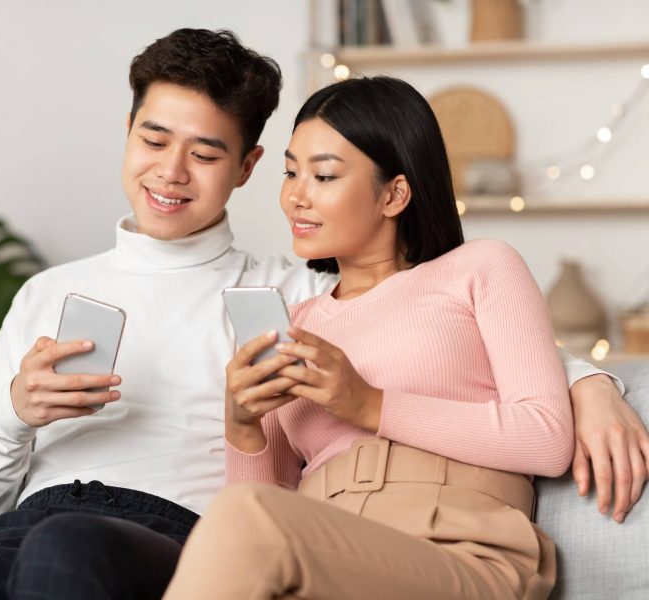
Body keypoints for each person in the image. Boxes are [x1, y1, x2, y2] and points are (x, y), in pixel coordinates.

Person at [0, 28, 645, 600]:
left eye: (204, 153)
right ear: (126, 133)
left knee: (74, 550)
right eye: (154, 139)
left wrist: (594, 381)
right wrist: (17, 416)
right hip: (30, 529)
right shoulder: (46, 294)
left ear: (242, 167)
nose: (170, 171)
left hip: (169, 538)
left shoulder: (292, 297)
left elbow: (441, 329)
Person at [160, 75, 648, 600]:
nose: (295, 196)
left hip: (461, 552)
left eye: (323, 176)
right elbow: (262, 516)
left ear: (394, 194)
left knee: (243, 517)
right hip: (326, 559)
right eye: (290, 172)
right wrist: (244, 425)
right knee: (242, 521)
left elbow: (546, 437)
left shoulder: (481, 268)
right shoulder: (294, 322)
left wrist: (368, 404)